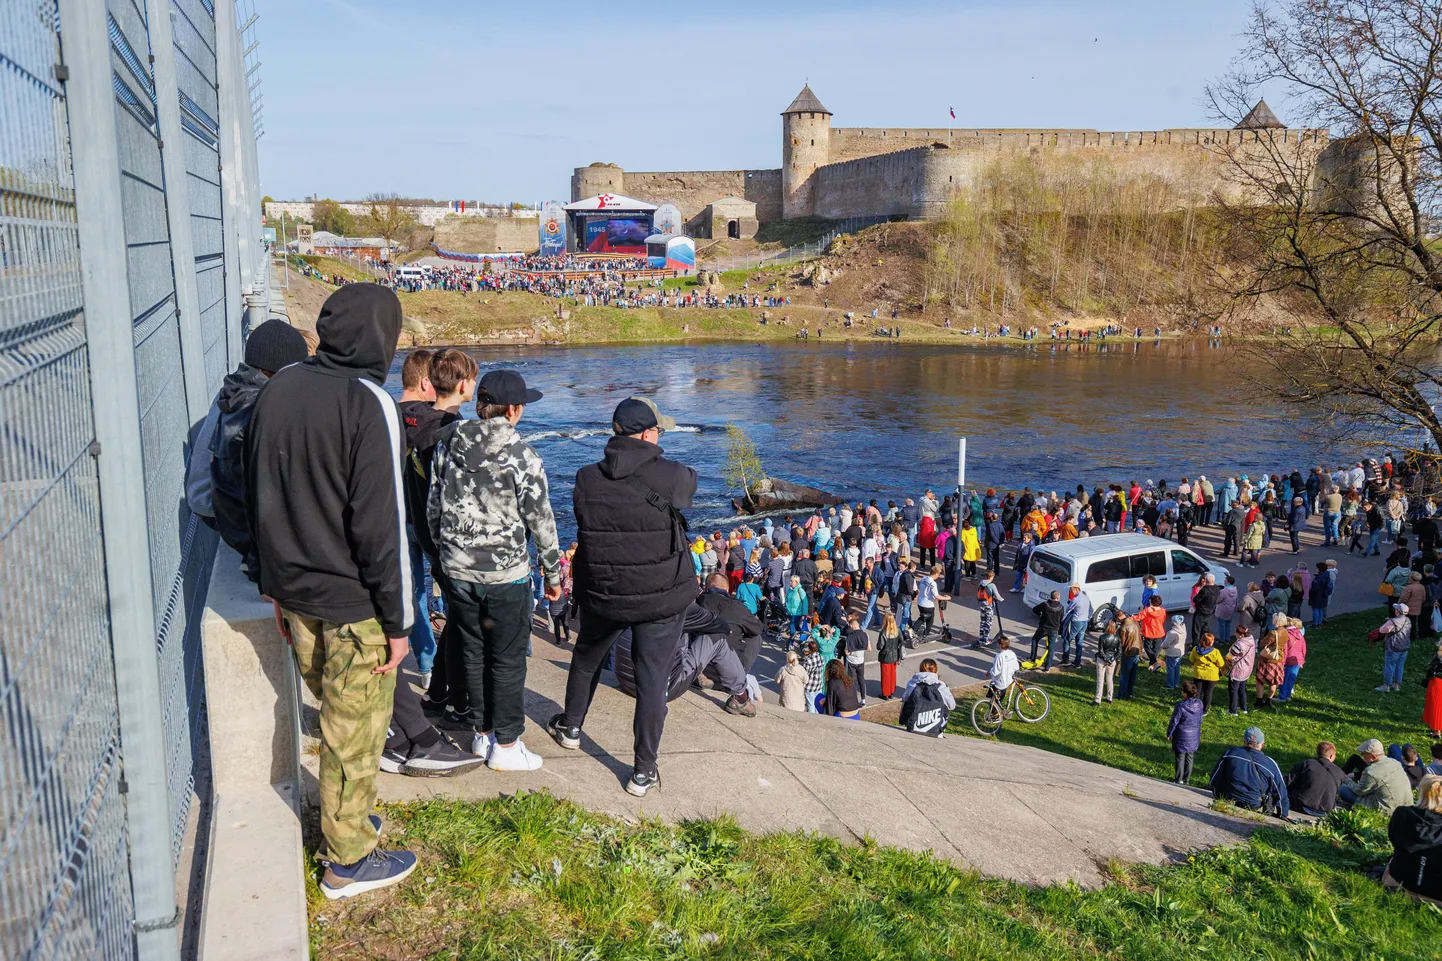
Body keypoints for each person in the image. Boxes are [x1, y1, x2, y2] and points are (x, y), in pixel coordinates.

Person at [245, 284, 418, 898]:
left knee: (338, 719)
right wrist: (400, 623)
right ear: (382, 338)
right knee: (355, 729)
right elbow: (382, 524)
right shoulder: (369, 401)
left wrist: (270, 583)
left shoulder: (280, 387)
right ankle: (348, 860)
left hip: (293, 592)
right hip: (353, 605)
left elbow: (255, 493)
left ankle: (346, 819)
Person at [549, 396, 699, 798]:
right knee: (652, 680)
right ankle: (643, 772)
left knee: (586, 658)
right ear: (649, 434)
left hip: (606, 591)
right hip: (660, 597)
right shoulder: (669, 475)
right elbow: (689, 486)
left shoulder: (585, 477)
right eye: (658, 431)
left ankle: (571, 727)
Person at [430, 369, 561, 772]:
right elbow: (542, 522)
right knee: (506, 660)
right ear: (515, 411)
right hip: (505, 575)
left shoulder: (447, 443)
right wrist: (553, 575)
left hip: (458, 569)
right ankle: (506, 744)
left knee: (471, 653)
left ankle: (480, 735)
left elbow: (434, 509)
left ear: (481, 405)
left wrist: (447, 555)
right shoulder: (523, 456)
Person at [186, 317, 310, 581]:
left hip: (206, 502)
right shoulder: (262, 408)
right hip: (226, 512)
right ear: (280, 371)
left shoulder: (233, 391)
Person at [611, 602, 755, 719]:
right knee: (718, 638)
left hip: (623, 678)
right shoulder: (678, 602)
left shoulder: (632, 591)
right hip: (659, 689)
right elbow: (720, 626)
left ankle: (698, 672)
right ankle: (740, 697)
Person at [1384, 774, 1442, 903]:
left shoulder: (1402, 813)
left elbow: (1394, 840)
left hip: (1399, 884)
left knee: (1395, 856)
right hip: (1436, 898)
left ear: (1422, 793)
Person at [1209, 726, 1289, 818]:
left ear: (1244, 741)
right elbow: (1280, 791)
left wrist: (1218, 794)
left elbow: (1215, 777)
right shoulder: (1270, 764)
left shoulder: (1230, 753)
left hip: (1228, 797)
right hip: (1253, 804)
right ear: (1262, 744)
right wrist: (1284, 814)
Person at [1339, 738, 1413, 814]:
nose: (1362, 756)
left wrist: (1346, 780)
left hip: (1388, 810)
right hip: (1406, 804)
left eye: (1363, 754)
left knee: (1342, 790)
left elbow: (1359, 791)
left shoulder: (1370, 772)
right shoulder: (1395, 762)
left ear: (1373, 757)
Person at [1285, 742, 1346, 816]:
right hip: (1325, 811)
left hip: (1302, 805)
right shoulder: (1339, 772)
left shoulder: (1307, 764)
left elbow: (1288, 781)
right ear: (1331, 756)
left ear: (1317, 752)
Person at [900, 657, 955, 736]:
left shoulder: (912, 683)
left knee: (907, 701)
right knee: (944, 704)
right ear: (935, 670)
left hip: (914, 726)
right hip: (935, 730)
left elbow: (904, 698)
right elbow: (952, 705)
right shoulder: (941, 686)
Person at [1165, 680, 1204, 785]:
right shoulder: (1199, 703)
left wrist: (1169, 733)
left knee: (1180, 757)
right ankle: (1186, 780)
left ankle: (1178, 780)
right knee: (1190, 757)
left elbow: (1174, 721)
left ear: (1185, 693)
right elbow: (1200, 718)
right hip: (1194, 735)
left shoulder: (1180, 706)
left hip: (1181, 735)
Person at [1376, 602, 1413, 693]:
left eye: (1396, 609)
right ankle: (1396, 685)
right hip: (1404, 646)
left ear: (1397, 612)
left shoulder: (1392, 621)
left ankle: (1386, 685)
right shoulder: (1408, 620)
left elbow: (1382, 630)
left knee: (1390, 666)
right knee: (1400, 666)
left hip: (1394, 647)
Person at [1254, 613, 1287, 707]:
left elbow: (1263, 643)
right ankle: (1269, 699)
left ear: (1276, 621)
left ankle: (1259, 700)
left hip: (1268, 659)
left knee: (1260, 679)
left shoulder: (1273, 633)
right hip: (1279, 658)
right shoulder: (1285, 631)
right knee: (1274, 681)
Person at [1188, 632, 1224, 713]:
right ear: (1211, 642)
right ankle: (1205, 710)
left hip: (1198, 674)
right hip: (1211, 676)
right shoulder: (1215, 652)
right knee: (1208, 693)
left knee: (1197, 692)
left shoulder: (1195, 649)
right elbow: (1221, 664)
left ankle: (1194, 708)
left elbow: (1191, 660)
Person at [1224, 625, 1256, 716]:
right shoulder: (1251, 640)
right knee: (1242, 689)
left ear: (1241, 635)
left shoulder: (1239, 644)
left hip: (1238, 670)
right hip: (1247, 669)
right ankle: (1243, 708)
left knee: (1233, 690)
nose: (1235, 635)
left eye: (1236, 633)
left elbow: (1230, 656)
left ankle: (1233, 711)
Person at [1275, 617, 1308, 703]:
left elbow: (1285, 650)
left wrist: (1282, 662)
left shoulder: (1287, 635)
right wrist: (1302, 660)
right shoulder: (1300, 634)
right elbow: (1304, 648)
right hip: (1297, 660)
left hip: (1288, 660)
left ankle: (1282, 697)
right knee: (1291, 679)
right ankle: (1288, 695)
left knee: (1283, 679)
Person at [1060, 585, 1092, 668]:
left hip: (1077, 622)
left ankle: (1065, 659)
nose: (1070, 591)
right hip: (1085, 621)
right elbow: (1090, 610)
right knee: (1079, 642)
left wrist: (1070, 602)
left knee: (1067, 639)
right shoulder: (1086, 597)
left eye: (1071, 589)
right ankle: (1077, 662)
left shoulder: (1076, 599)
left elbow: (1068, 609)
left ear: (1077, 589)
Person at [1031, 590, 1064, 670]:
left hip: (1043, 627)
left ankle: (1033, 658)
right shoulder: (1061, 607)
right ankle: (1047, 667)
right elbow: (1061, 619)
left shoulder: (1045, 605)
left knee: (1035, 639)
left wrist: (1041, 614)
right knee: (1051, 647)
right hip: (1054, 629)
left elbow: (1035, 609)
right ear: (1058, 597)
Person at [876, 611, 904, 699]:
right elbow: (901, 642)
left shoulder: (883, 632)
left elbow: (880, 646)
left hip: (885, 656)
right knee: (893, 675)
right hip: (895, 656)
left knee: (885, 676)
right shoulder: (898, 631)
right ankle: (892, 692)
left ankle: (885, 693)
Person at [842, 613, 870, 702]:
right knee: (861, 679)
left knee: (852, 680)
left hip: (851, 661)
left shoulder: (850, 636)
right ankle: (863, 699)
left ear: (853, 625)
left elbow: (847, 652)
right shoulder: (865, 635)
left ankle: (853, 699)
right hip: (861, 660)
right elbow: (869, 648)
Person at [1093, 618, 1122, 704]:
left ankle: (1098, 699)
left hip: (1102, 660)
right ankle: (1109, 697)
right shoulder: (1117, 639)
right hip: (1112, 660)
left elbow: (1101, 650)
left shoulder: (1102, 637)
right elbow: (1119, 651)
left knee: (1100, 680)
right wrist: (1111, 659)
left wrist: (1105, 659)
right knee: (1110, 679)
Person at [1117, 612, 1144, 699]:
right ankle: (1130, 692)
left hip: (1128, 652)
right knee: (1133, 673)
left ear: (1118, 618)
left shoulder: (1123, 627)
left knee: (1124, 675)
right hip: (1136, 650)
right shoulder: (1135, 622)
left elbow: (1122, 642)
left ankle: (1122, 694)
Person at [1136, 594, 1166, 670]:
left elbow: (1138, 617)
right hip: (1159, 632)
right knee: (1156, 649)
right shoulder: (1163, 611)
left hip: (1149, 632)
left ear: (1151, 602)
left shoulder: (1147, 610)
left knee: (1147, 648)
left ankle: (1154, 663)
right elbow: (1163, 620)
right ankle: (1152, 665)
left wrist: (1129, 618)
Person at [974, 569, 1002, 649]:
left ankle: (981, 637)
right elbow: (997, 596)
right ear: (991, 576)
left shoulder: (980, 583)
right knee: (988, 622)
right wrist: (1001, 599)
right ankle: (985, 639)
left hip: (982, 605)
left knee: (982, 621)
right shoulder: (992, 585)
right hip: (989, 606)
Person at [1161, 614, 1187, 689]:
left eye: (1171, 620)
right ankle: (1176, 682)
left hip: (1172, 653)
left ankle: (1170, 684)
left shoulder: (1172, 633)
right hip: (1180, 652)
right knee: (1177, 667)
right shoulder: (1183, 629)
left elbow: (1165, 644)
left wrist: (1162, 647)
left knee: (1170, 669)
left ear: (1174, 622)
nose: (1170, 621)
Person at [800, 639, 825, 713]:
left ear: (810, 649)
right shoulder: (820, 657)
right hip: (818, 683)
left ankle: (811, 719)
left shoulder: (808, 659)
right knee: (818, 704)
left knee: (810, 704)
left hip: (810, 685)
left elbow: (805, 673)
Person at [1424, 639, 1442, 737]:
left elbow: (1431, 669)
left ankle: (1436, 732)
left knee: (1436, 707)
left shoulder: (1439, 656)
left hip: (1437, 683)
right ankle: (1435, 729)